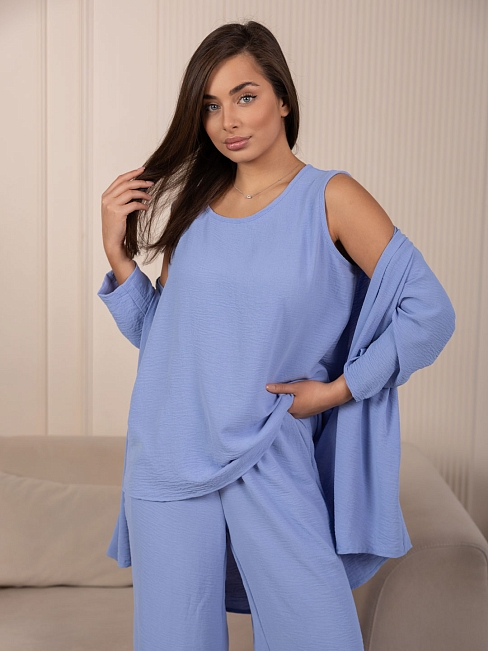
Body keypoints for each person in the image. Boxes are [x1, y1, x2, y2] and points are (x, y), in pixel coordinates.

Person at [97, 20, 455, 651]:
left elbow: (430, 312)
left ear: (283, 98)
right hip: (167, 458)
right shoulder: (194, 209)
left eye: (245, 96)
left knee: (318, 635)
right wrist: (121, 260)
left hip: (270, 450)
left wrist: (340, 390)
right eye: (211, 106)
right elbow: (173, 346)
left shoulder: (331, 197)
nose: (228, 121)